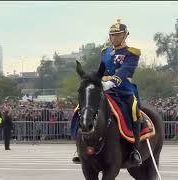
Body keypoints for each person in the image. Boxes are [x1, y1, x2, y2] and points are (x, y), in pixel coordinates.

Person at [72, 18, 143, 166]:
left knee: (134, 108)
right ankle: (79, 146)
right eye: (112, 35)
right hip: (103, 87)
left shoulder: (131, 53)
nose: (114, 38)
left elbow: (126, 70)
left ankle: (135, 148)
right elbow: (102, 69)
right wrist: (97, 80)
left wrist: (112, 82)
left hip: (123, 88)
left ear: (125, 35)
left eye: (118, 34)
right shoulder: (105, 52)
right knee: (81, 108)